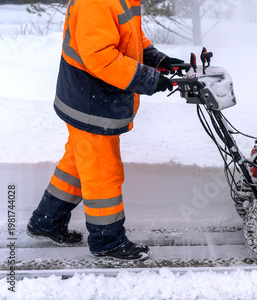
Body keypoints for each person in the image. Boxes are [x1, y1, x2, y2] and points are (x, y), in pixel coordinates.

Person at [26, 0, 182, 260]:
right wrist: (148, 78)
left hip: (91, 98)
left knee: (78, 162)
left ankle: (46, 221)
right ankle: (107, 241)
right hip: (91, 101)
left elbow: (129, 34)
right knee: (102, 173)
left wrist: (154, 57)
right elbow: (100, 56)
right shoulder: (96, 2)